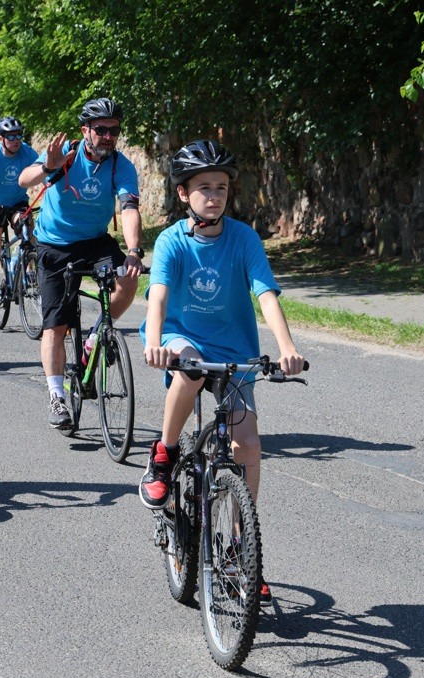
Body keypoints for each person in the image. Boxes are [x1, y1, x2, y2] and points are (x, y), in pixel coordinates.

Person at [137, 141, 305, 602]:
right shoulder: (172, 240)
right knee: (188, 369)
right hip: (179, 337)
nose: (214, 195)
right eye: (204, 187)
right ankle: (165, 453)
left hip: (234, 349)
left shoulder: (244, 238)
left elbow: (265, 294)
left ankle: (238, 549)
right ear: (182, 193)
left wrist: (287, 348)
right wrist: (154, 342)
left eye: (222, 187)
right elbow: (158, 296)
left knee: (246, 442)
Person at [17, 97, 144, 428]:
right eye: (101, 130)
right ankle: (57, 396)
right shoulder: (66, 156)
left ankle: (96, 334)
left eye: (114, 131)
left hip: (95, 241)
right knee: (56, 325)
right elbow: (24, 181)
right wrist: (48, 165)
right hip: (54, 245)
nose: (108, 136)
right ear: (85, 130)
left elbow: (129, 208)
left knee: (129, 278)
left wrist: (134, 250)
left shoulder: (121, 165)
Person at [0, 116, 39, 312]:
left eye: (18, 135)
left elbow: (43, 171)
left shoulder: (27, 152)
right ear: (1, 138)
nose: (15, 140)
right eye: (10, 136)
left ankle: (28, 269)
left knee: (28, 229)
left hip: (17, 203)